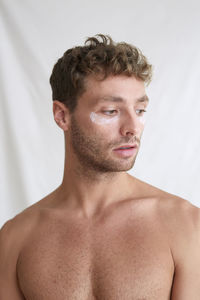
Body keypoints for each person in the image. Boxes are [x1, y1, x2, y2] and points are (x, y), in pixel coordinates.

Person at [0, 34, 200, 300]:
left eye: (140, 110)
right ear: (62, 115)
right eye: (110, 111)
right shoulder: (15, 238)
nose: (132, 128)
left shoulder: (186, 226)